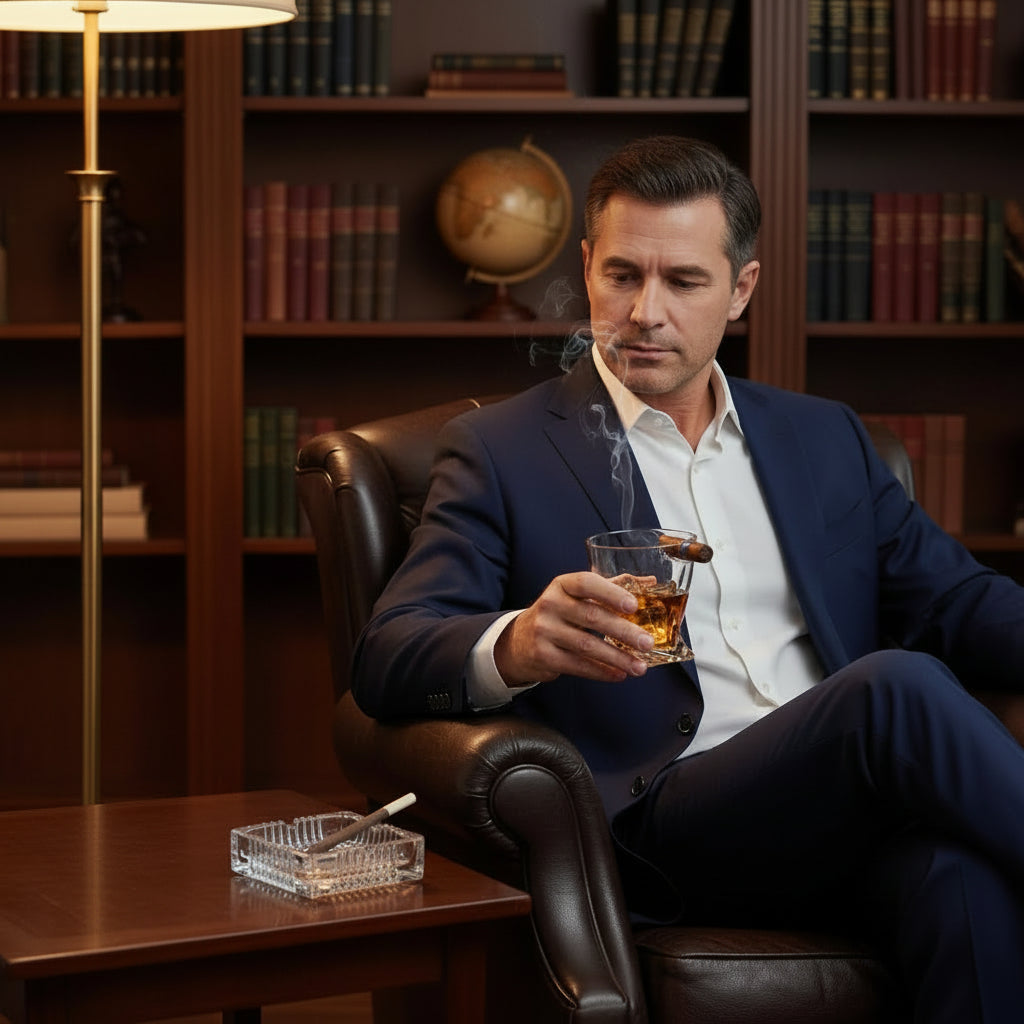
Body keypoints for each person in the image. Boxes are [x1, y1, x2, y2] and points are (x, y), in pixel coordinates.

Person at [352, 135, 1024, 1022]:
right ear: (586, 266)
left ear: (742, 287)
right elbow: (388, 654)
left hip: (847, 818)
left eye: (684, 282)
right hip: (668, 824)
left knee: (963, 880)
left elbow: (962, 603)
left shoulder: (822, 437)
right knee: (893, 687)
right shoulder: (501, 451)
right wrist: (517, 642)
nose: (645, 312)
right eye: (622, 275)